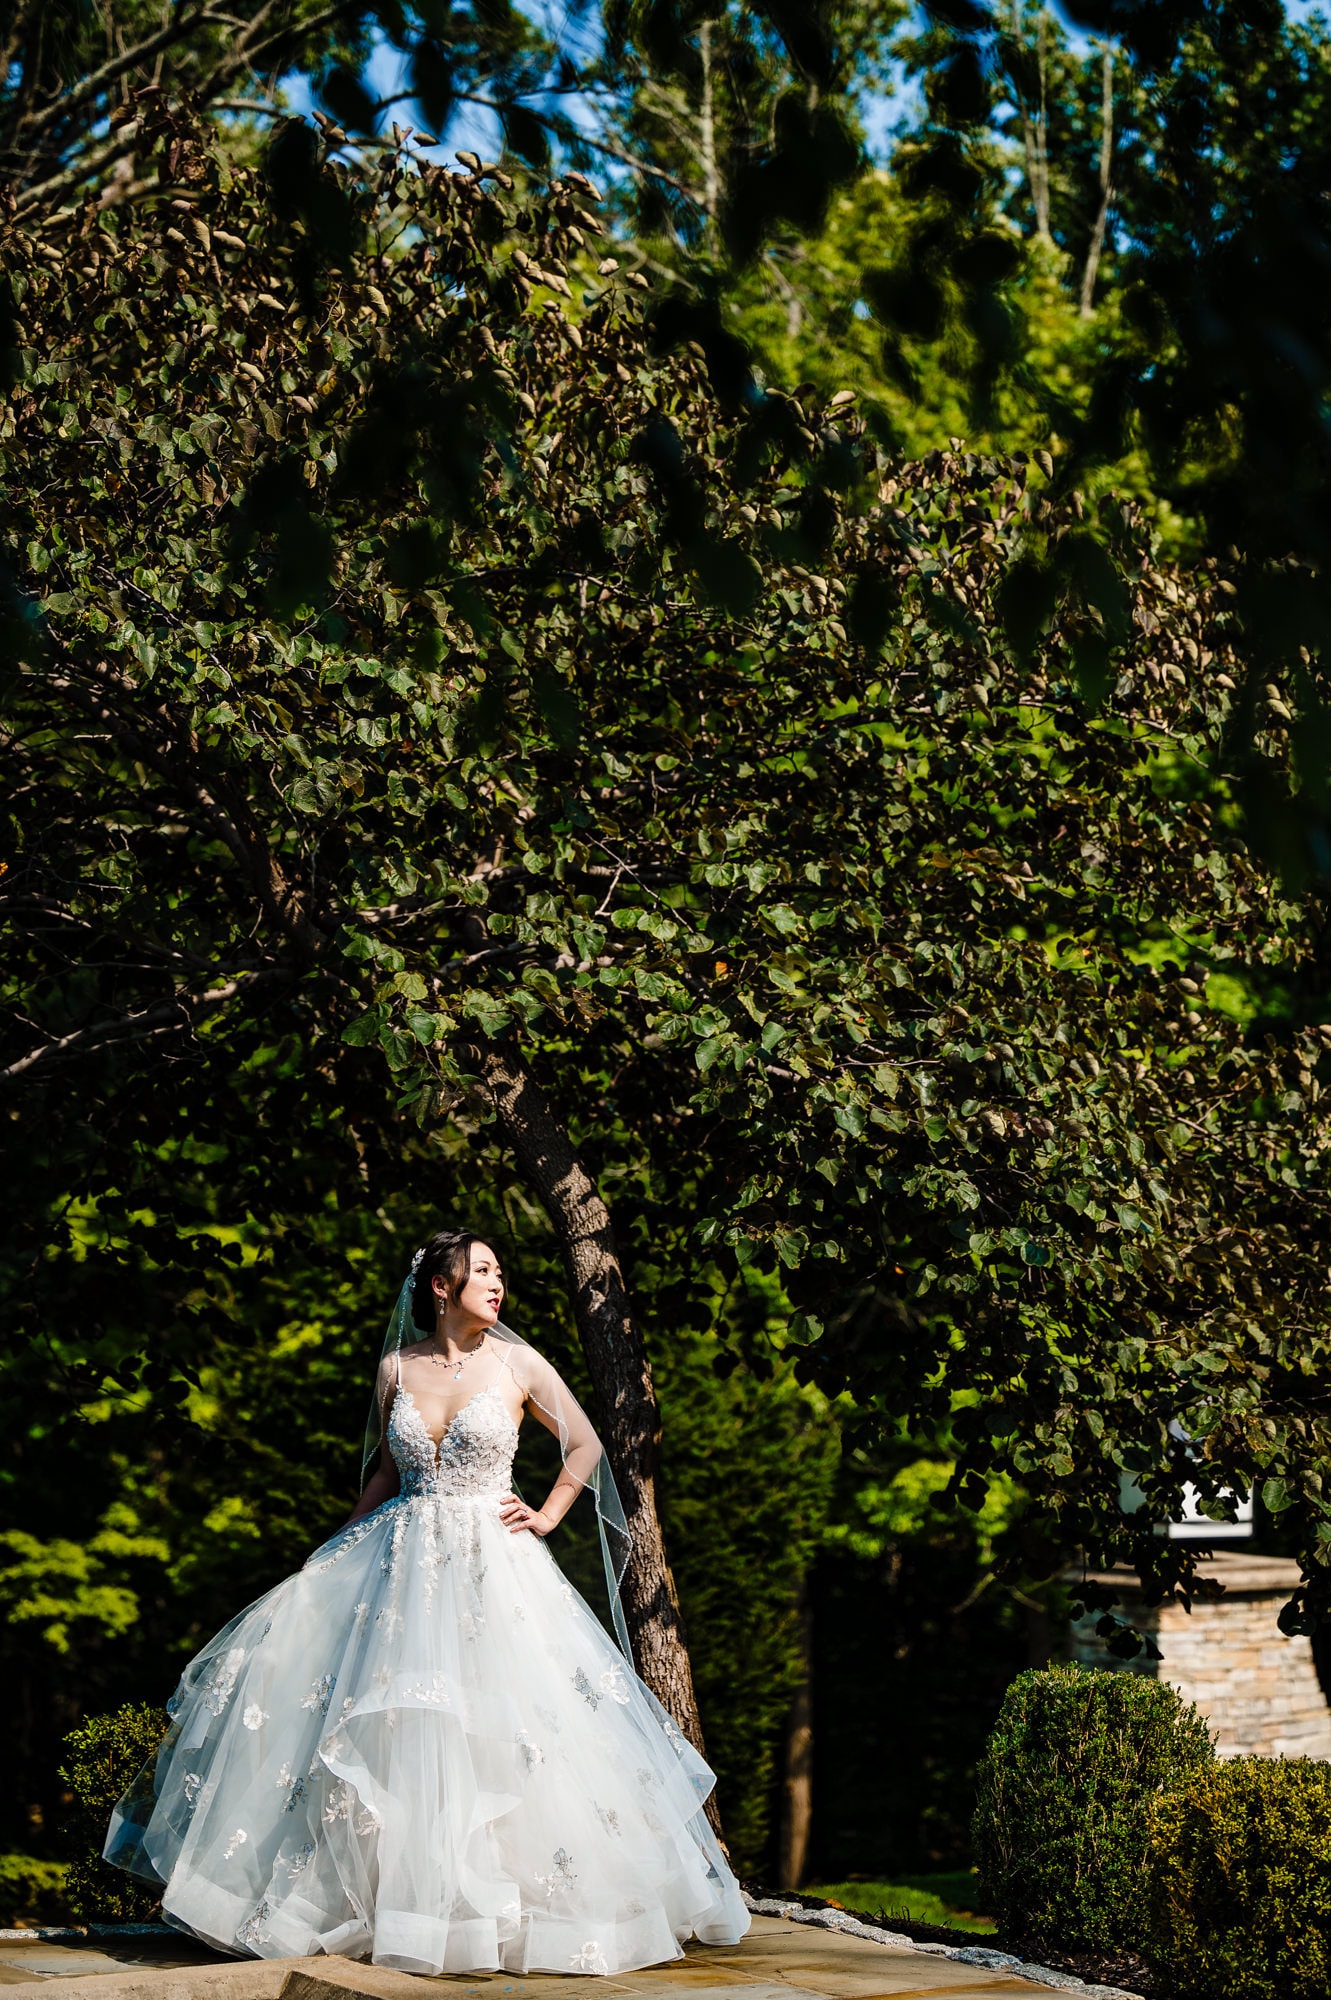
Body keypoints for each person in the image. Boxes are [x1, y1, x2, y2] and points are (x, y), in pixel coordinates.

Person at [104, 1228, 748, 1975]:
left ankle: (501, 1912)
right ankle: (399, 1908)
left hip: (491, 1569)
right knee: (392, 1732)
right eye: (483, 1271)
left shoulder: (518, 1362)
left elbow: (585, 1445)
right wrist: (331, 1552)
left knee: (505, 1727)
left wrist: (547, 1514)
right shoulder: (395, 1368)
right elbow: (385, 1473)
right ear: (442, 1286)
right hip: (399, 1566)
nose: (498, 1283)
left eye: (500, 1272)